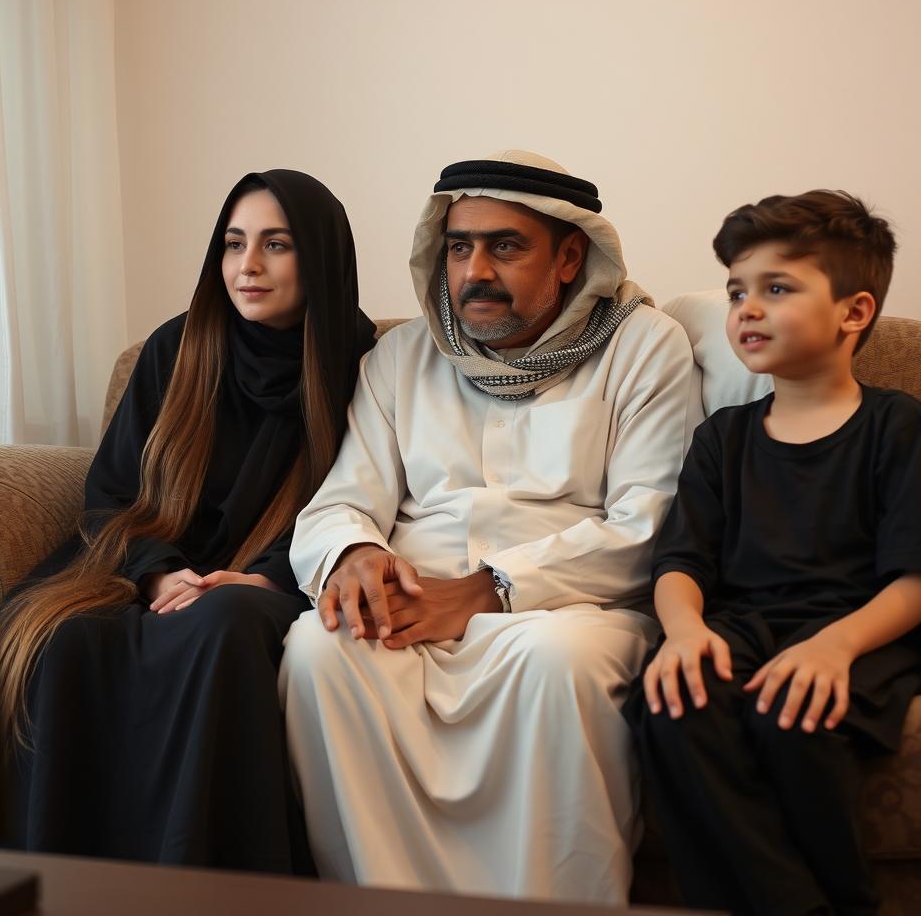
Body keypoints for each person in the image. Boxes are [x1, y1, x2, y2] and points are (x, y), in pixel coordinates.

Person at [279, 149, 697, 903]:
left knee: (555, 660)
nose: (475, 270)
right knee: (318, 645)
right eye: (459, 247)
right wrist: (355, 554)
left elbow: (652, 525)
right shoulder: (400, 357)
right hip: (413, 609)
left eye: (504, 246)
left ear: (570, 256)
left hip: (570, 609)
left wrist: (488, 591)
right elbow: (343, 499)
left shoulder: (644, 347)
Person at [0, 169, 375, 873]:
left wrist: (263, 579)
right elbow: (113, 488)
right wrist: (160, 570)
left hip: (280, 578)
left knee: (223, 626)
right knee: (68, 638)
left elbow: (364, 496)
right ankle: (60, 886)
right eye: (233, 244)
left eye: (276, 244)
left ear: (319, 255)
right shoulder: (177, 348)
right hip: (144, 562)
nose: (247, 266)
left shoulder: (365, 361)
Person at [629, 191, 921, 916]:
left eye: (776, 289)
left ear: (854, 311)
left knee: (791, 715)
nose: (746, 308)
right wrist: (685, 633)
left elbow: (920, 573)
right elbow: (681, 561)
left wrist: (835, 649)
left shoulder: (896, 424)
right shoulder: (724, 437)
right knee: (672, 705)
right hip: (740, 629)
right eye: (737, 291)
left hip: (855, 633)